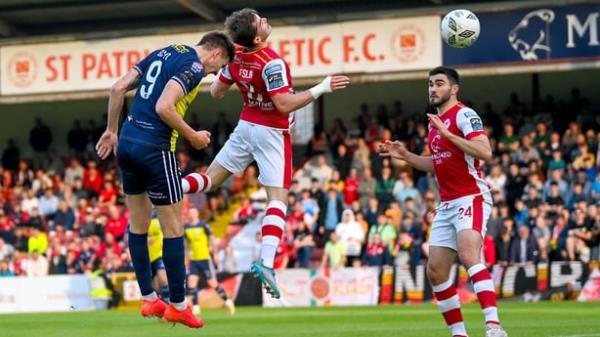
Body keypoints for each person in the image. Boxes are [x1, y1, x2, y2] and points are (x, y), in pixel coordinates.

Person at [181, 8, 349, 298]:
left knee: (210, 180)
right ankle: (267, 263)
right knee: (278, 199)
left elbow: (216, 92)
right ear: (258, 36)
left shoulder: (236, 56)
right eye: (261, 20)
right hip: (272, 132)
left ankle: (168, 185)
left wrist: (238, 76)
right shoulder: (272, 62)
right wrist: (322, 87)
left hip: (246, 125)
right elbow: (283, 104)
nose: (266, 20)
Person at [96, 32, 234, 328]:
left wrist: (111, 130)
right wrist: (193, 136)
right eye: (218, 67)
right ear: (216, 54)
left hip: (128, 143)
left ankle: (148, 298)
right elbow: (164, 107)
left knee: (138, 225)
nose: (214, 73)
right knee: (174, 229)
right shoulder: (195, 67)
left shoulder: (165, 51)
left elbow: (118, 87)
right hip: (156, 149)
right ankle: (179, 305)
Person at [377, 66, 508, 337]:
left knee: (469, 255)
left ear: (454, 88)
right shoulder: (434, 123)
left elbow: (486, 152)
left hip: (471, 196)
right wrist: (405, 156)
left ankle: (494, 326)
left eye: (439, 83)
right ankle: (459, 334)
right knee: (435, 271)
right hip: (447, 203)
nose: (433, 89)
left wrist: (448, 134)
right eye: (430, 84)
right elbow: (438, 164)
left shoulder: (464, 114)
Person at [184, 208, 235, 315]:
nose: (192, 214)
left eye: (194, 212)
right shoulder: (186, 227)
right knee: (191, 282)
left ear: (197, 213)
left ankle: (227, 301)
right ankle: (196, 307)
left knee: (212, 283)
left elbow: (212, 239)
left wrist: (215, 254)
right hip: (194, 260)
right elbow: (186, 244)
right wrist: (186, 257)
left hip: (205, 259)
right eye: (190, 213)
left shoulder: (203, 225)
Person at [147, 214, 169, 302]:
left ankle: (168, 302)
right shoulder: (142, 217)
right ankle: (161, 303)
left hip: (160, 254)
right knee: (154, 285)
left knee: (163, 279)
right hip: (148, 255)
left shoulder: (160, 215)